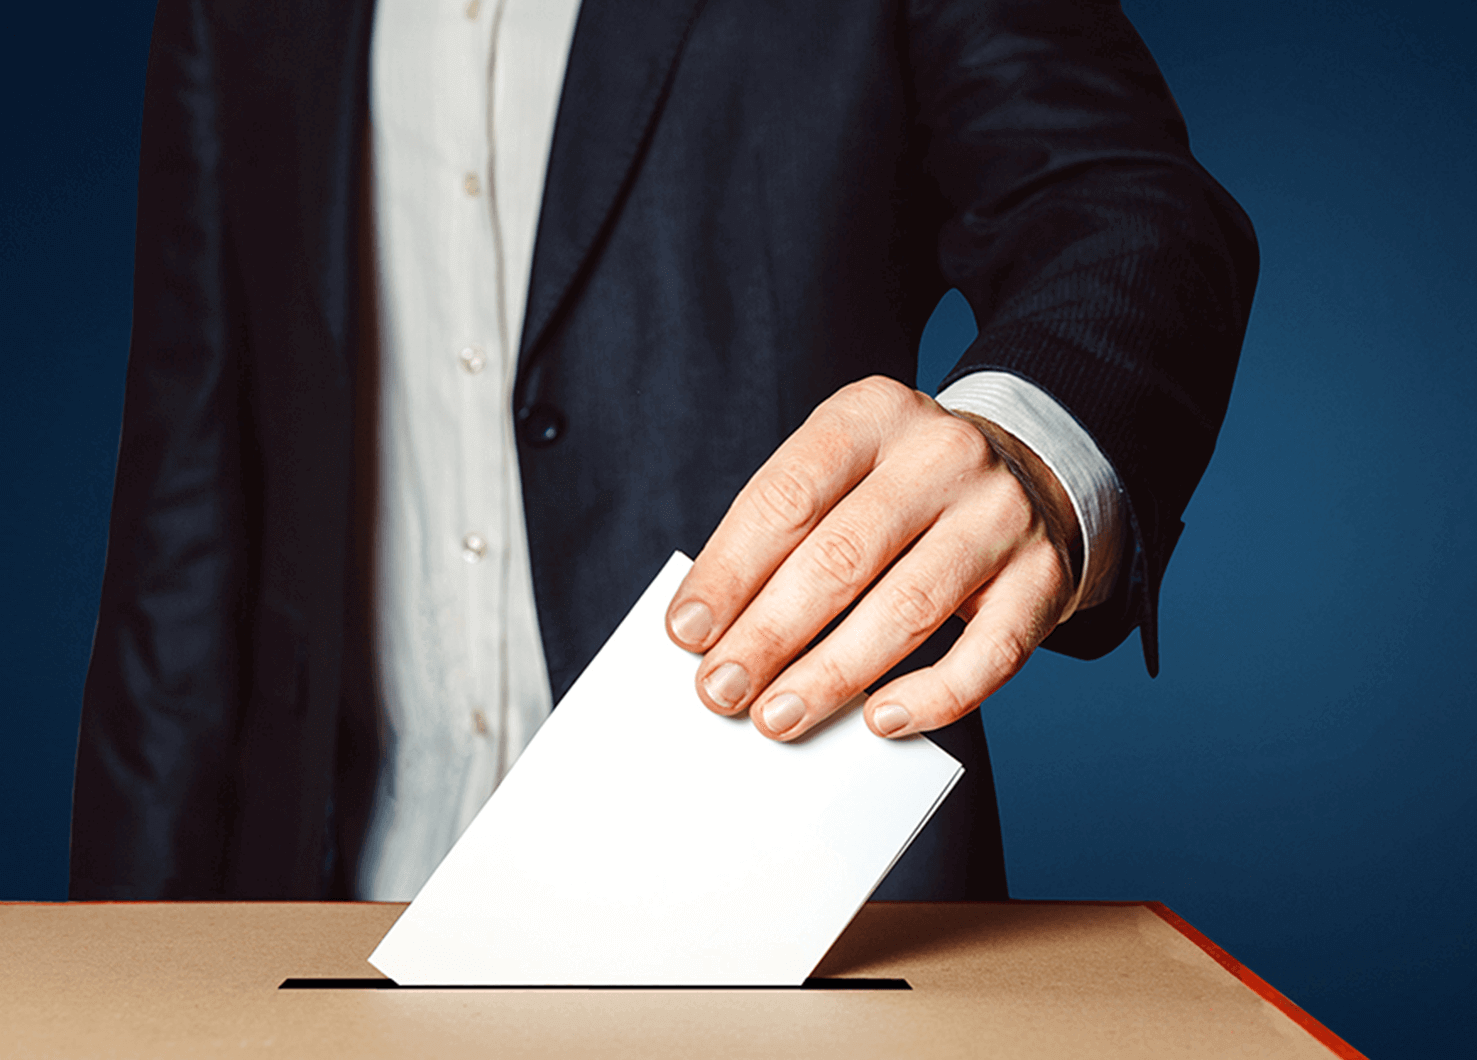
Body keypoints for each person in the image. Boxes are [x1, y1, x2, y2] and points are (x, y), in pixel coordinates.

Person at [69, 0, 1257, 901]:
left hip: (797, 900)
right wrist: (122, 970)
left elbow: (1120, 200)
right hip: (333, 902)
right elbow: (187, 509)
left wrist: (1034, 439)